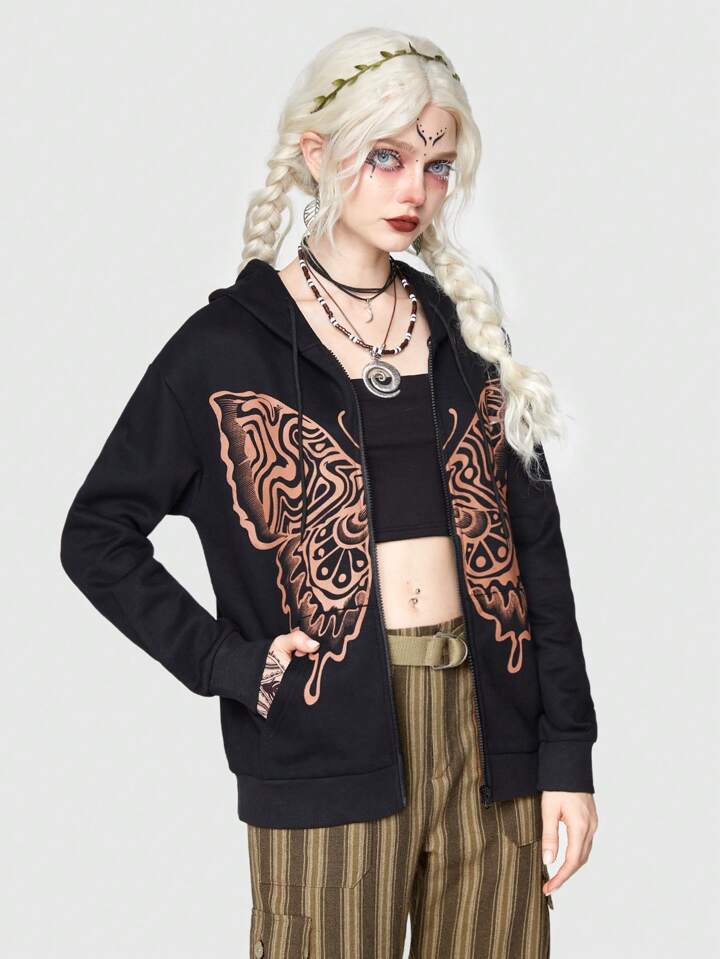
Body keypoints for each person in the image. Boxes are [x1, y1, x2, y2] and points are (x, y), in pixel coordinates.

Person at [60, 26, 598, 959]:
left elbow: (536, 555)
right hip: (323, 739)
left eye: (435, 165)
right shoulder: (225, 347)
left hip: (492, 741)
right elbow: (96, 533)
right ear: (317, 152)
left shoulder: (466, 334)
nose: (413, 189)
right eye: (385, 156)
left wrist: (568, 753)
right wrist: (228, 662)